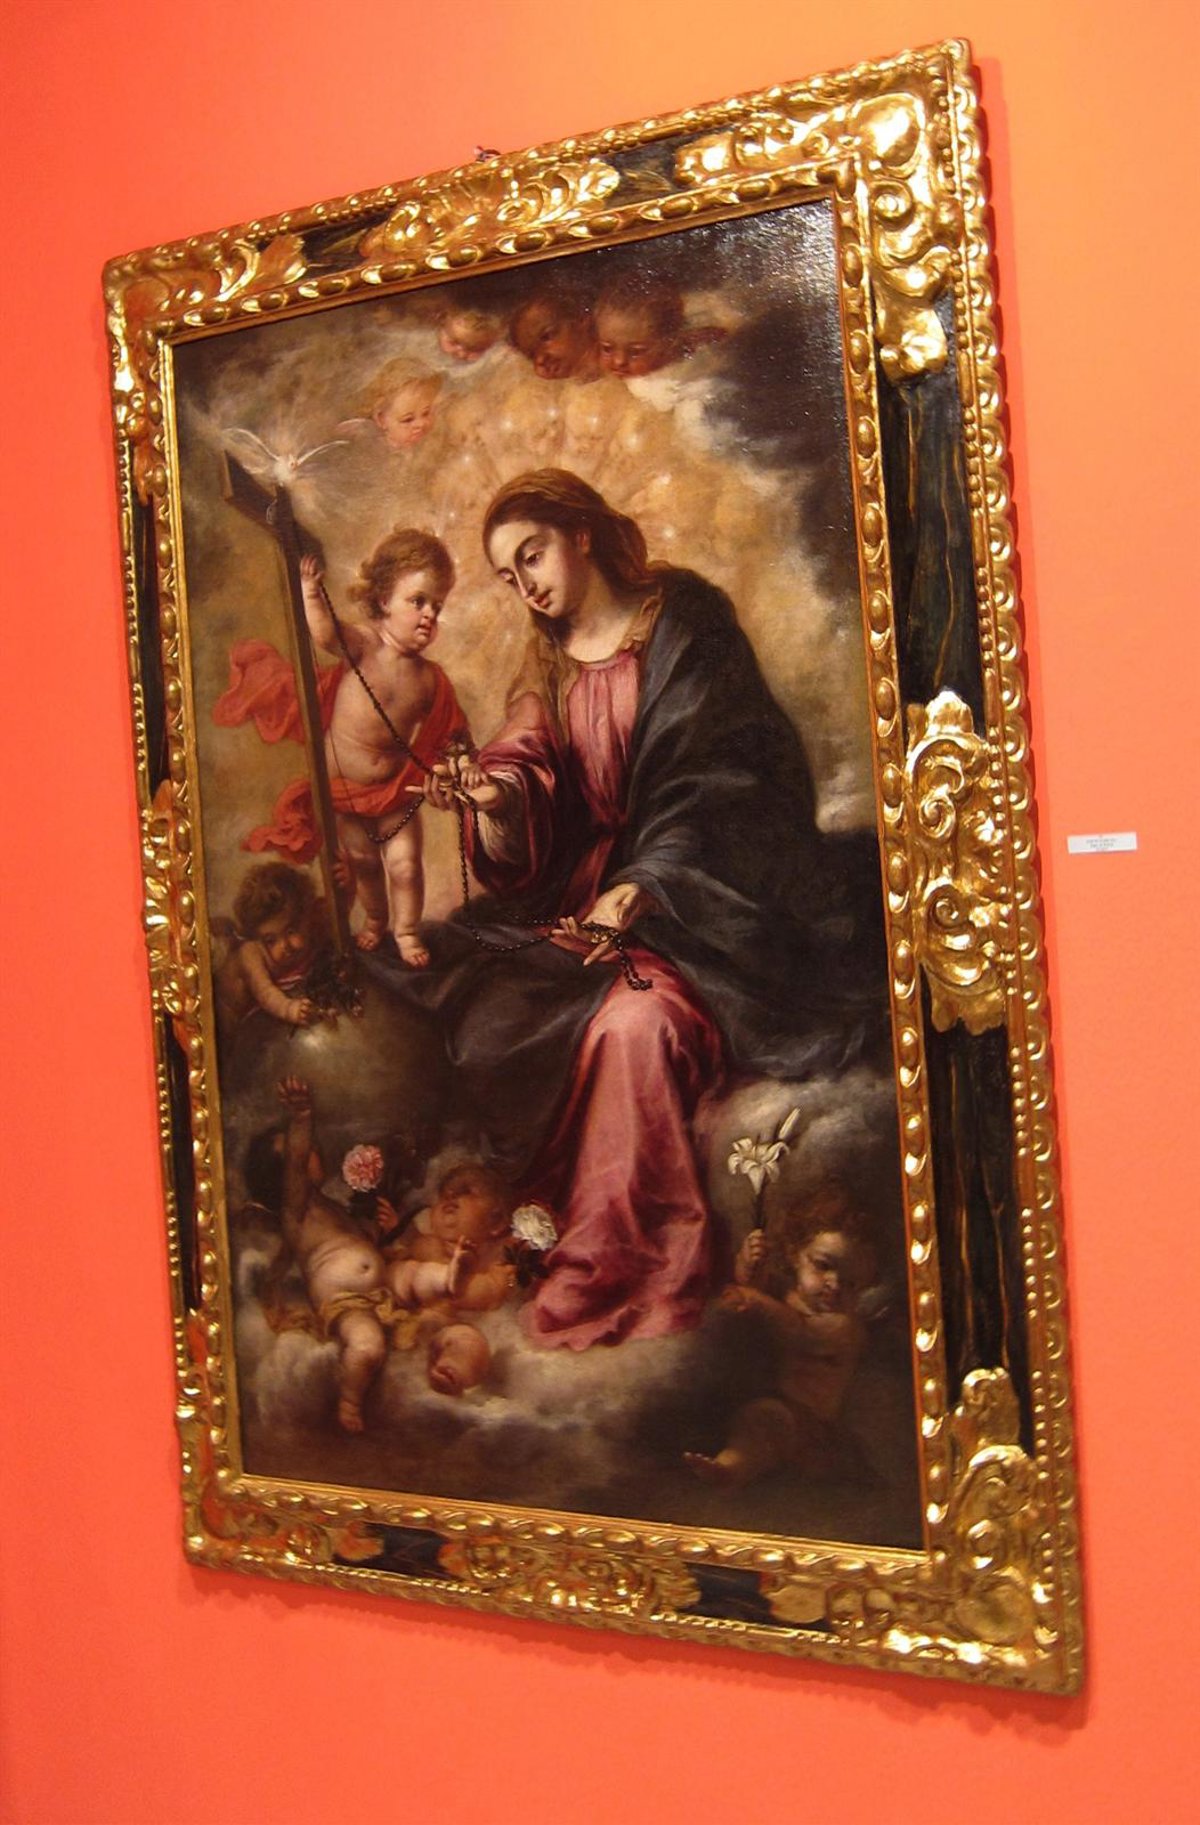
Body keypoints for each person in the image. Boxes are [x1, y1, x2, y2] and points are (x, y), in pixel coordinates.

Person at [370, 469, 884, 1351]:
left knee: (632, 1029)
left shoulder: (685, 623)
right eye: (508, 575)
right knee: (490, 1018)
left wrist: (648, 882)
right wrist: (493, 795)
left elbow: (729, 779)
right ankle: (536, 1234)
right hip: (586, 902)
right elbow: (528, 760)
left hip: (704, 907)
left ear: (580, 533)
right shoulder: (546, 659)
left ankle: (623, 1268)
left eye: (533, 555)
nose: (527, 585)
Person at [214, 529, 470, 963]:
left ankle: (407, 931)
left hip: (395, 793)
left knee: (406, 866)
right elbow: (324, 635)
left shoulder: (429, 679)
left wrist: (454, 763)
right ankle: (375, 921)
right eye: (418, 601)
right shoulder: (364, 645)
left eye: (437, 606)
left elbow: (450, 733)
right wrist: (311, 593)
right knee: (363, 863)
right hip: (345, 792)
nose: (430, 614)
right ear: (384, 599)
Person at [684, 1189, 878, 1486]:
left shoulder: (845, 1327)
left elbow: (800, 1331)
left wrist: (755, 1300)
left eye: (851, 1282)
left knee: (765, 1418)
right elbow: (754, 1292)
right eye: (823, 1266)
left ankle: (729, 1470)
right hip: (763, 1397)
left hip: (807, 1427)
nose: (835, 1284)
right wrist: (749, 1266)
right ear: (795, 1254)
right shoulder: (786, 1295)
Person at [247, 1077, 394, 1432]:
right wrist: (302, 1118)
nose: (313, 1150)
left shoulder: (328, 1206)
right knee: (368, 1348)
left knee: (431, 1276)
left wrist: (385, 1228)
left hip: (379, 1293)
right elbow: (296, 1163)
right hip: (347, 1301)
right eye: (300, 1152)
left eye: (309, 1145)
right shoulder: (296, 1212)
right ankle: (349, 1401)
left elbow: (361, 1243)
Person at [216, 862, 322, 1030]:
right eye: (271, 940)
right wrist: (290, 1009)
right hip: (230, 1019)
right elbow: (265, 993)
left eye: (291, 931)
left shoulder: (313, 927)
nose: (285, 946)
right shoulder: (250, 954)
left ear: (305, 917)